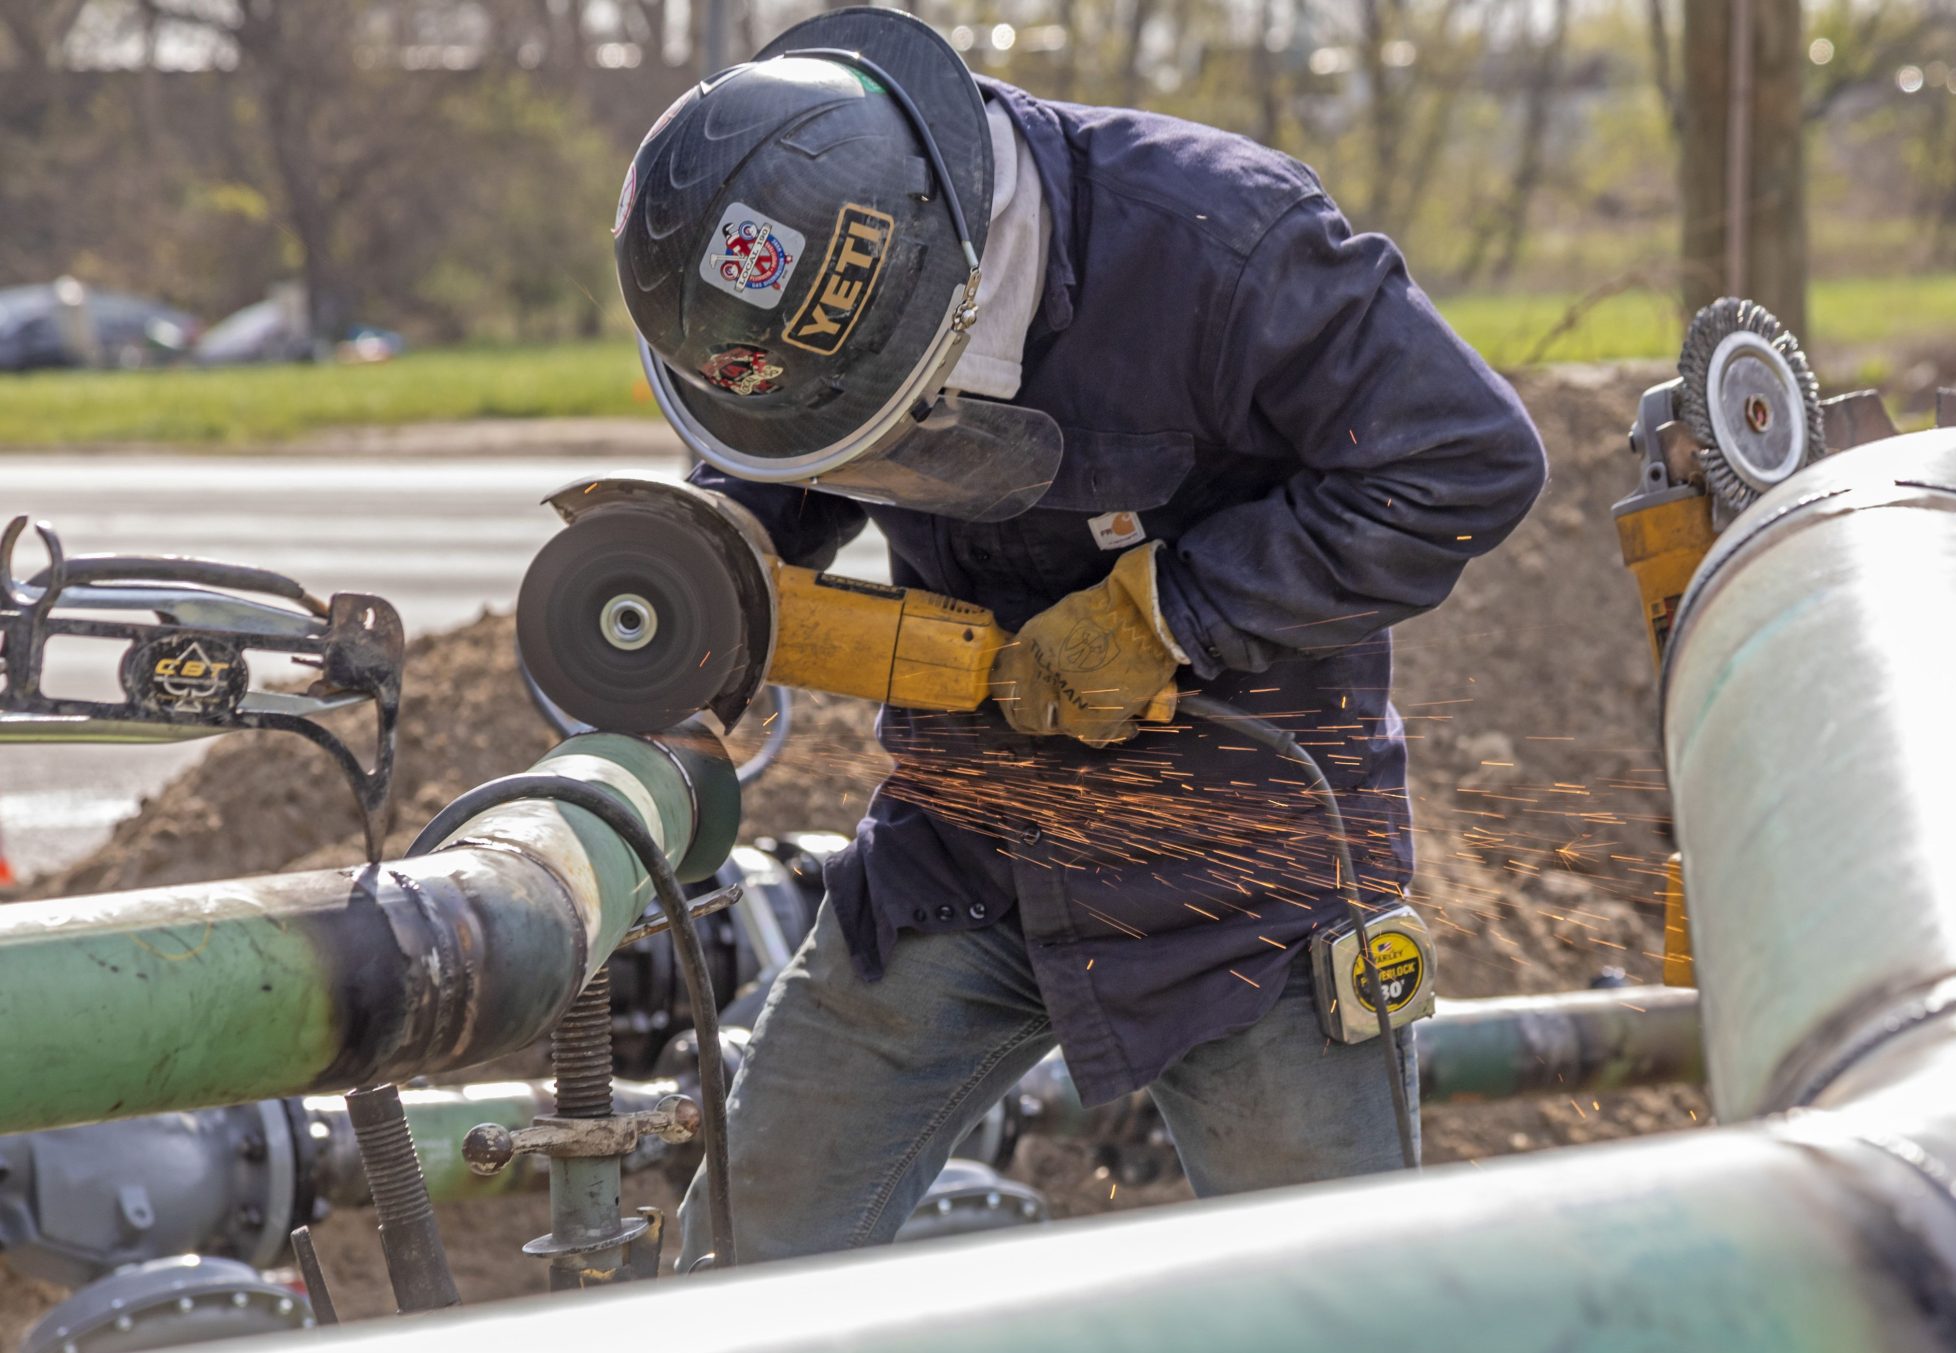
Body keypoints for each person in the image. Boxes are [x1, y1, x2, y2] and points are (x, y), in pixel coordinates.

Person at [613, 6, 1547, 1265]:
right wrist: (690, 620)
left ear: (946, 294)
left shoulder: (1221, 246)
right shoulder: (827, 287)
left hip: (1242, 879)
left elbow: (1465, 460)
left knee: (1341, 1324)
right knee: (735, 1269)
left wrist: (1169, 615)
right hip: (964, 842)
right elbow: (773, 474)